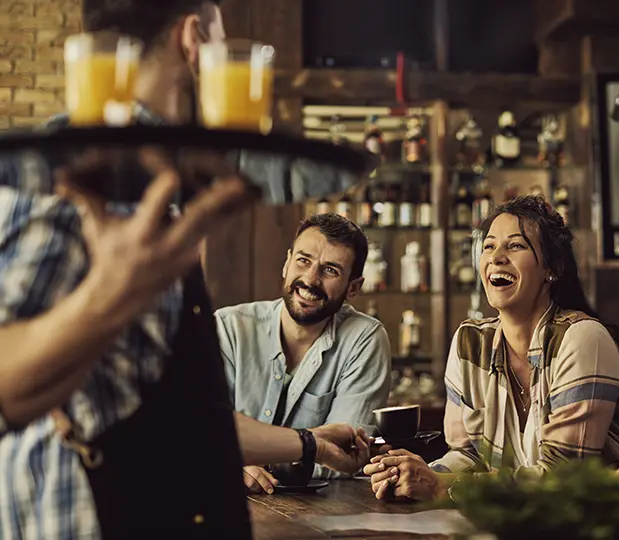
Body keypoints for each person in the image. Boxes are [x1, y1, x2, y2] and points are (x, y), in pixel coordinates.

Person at [0, 1, 370, 539]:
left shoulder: (159, 184)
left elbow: (177, 419)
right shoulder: (83, 176)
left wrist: (311, 443)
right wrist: (111, 292)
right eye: (224, 41)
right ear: (194, 38)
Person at [364, 195, 619, 500]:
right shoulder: (470, 342)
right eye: (488, 246)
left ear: (553, 268)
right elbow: (467, 455)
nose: (496, 257)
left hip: (593, 523)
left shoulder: (583, 338)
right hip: (511, 520)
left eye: (516, 245)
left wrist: (441, 486)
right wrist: (412, 474)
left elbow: (563, 477)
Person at [216, 213, 392, 490]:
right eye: (303, 260)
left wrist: (240, 456)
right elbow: (195, 432)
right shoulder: (228, 329)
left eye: (331, 270)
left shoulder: (364, 339)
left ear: (353, 287)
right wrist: (311, 443)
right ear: (287, 263)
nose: (310, 279)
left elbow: (345, 458)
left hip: (319, 516)